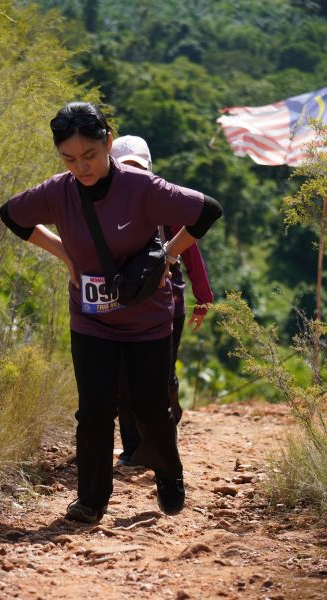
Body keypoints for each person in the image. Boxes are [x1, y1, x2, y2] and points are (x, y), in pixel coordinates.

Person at [0, 101, 222, 524]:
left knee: (151, 409)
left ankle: (169, 474)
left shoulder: (142, 187)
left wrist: (168, 256)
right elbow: (12, 215)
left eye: (89, 155)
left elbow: (206, 210)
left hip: (147, 321)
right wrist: (64, 253)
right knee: (94, 411)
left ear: (108, 143)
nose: (81, 167)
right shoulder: (58, 191)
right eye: (69, 158)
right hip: (91, 320)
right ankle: (91, 500)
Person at [110, 135, 213, 468]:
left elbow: (190, 249)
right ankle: (133, 448)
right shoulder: (104, 207)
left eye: (139, 168)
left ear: (149, 168)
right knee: (124, 381)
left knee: (162, 378)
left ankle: (163, 437)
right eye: (126, 169)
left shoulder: (165, 202)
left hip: (168, 305)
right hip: (121, 306)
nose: (134, 176)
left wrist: (203, 297)